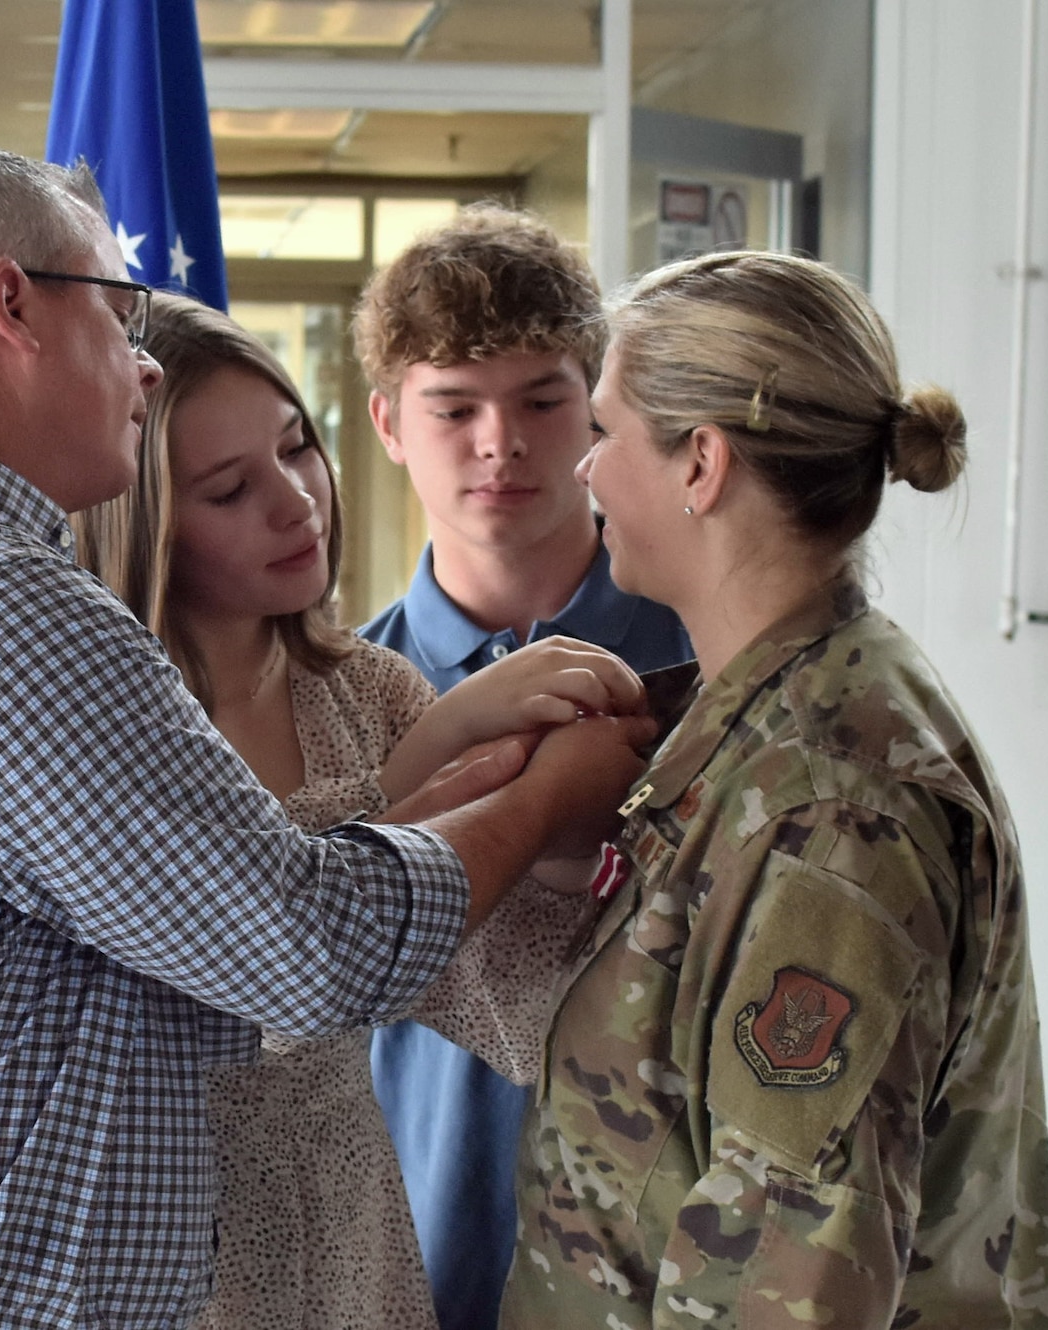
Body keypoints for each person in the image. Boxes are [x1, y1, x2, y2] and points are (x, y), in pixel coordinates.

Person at [0, 148, 650, 1330]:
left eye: (294, 450)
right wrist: (535, 798)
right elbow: (298, 944)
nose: (140, 356)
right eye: (117, 308)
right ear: (13, 304)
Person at [503, 250, 1048, 1327]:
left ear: (699, 464)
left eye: (603, 432)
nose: (583, 470)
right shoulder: (762, 726)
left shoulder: (829, 805)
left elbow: (786, 1278)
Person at [74, 292, 637, 1329]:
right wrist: (430, 768)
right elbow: (260, 971)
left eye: (297, 447)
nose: (295, 503)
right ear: (146, 515)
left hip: (349, 1227)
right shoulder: (108, 714)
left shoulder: (366, 689)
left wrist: (571, 839)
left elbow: (500, 986)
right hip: (159, 1238)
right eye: (230, 488)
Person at [354, 204, 695, 1330]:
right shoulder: (333, 699)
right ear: (388, 424)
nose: (498, 443)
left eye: (542, 401)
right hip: (407, 1258)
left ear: (594, 413)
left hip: (671, 1263)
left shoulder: (707, 661)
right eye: (452, 408)